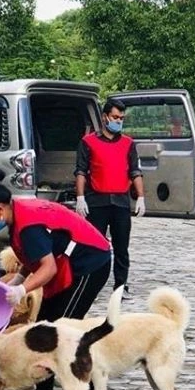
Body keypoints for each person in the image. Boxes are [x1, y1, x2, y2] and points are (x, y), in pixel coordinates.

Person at [0, 168, 112, 390]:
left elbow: (49, 268)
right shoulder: (17, 218)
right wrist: (20, 278)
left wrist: (22, 290)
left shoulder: (28, 225)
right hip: (66, 262)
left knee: (63, 329)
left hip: (89, 263)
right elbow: (33, 255)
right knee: (44, 325)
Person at [74, 97, 144, 297]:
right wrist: (81, 198)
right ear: (105, 117)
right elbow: (80, 171)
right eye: (115, 117)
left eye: (121, 118)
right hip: (97, 201)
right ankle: (91, 282)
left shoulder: (128, 143)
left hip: (121, 201)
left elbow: (135, 171)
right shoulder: (88, 142)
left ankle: (121, 286)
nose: (118, 121)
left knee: (122, 247)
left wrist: (140, 196)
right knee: (95, 245)